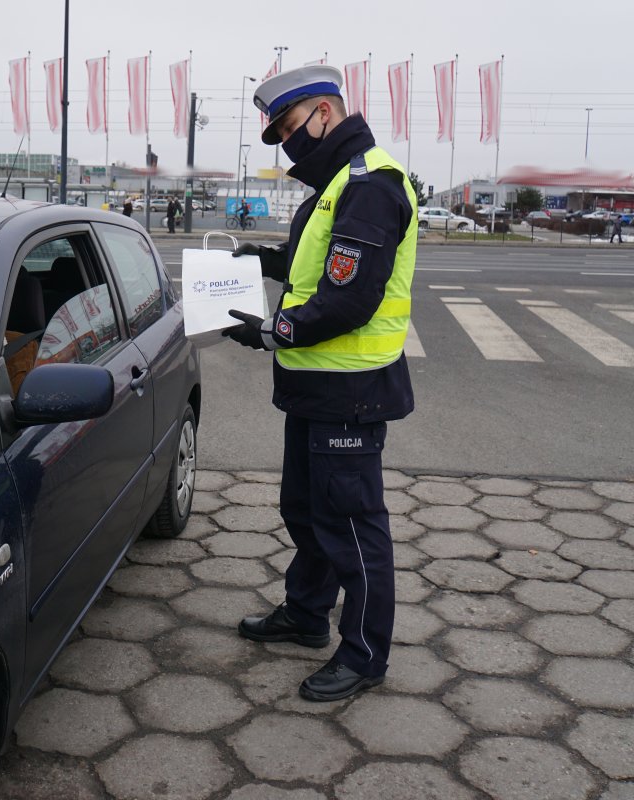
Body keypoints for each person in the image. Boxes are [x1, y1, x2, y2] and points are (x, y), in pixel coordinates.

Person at [222, 64, 417, 703]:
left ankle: (364, 654)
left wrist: (271, 330)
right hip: (316, 388)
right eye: (277, 135)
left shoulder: (369, 186)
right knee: (305, 510)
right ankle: (307, 614)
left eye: (288, 128)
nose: (286, 144)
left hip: (350, 391)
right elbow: (316, 269)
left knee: (354, 529)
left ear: (325, 113)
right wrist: (261, 260)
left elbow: (347, 300)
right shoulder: (333, 186)